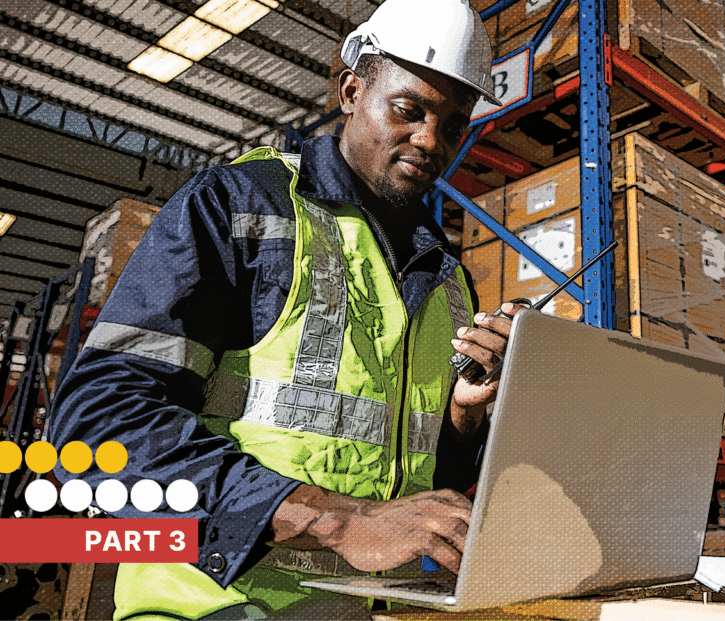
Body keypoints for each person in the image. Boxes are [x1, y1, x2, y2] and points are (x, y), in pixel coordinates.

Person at [50, 0, 519, 618]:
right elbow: (97, 420)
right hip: (211, 603)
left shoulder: (448, 279)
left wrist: (463, 419)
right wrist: (338, 521)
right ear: (353, 92)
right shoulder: (243, 208)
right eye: (408, 111)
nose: (431, 141)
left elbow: (415, 479)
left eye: (454, 125)